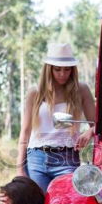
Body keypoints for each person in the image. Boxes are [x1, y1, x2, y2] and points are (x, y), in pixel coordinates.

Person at [16, 43, 96, 192]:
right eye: (57, 69)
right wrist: (20, 169)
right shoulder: (35, 93)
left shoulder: (81, 90)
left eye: (67, 69)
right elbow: (25, 131)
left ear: (73, 69)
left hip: (67, 158)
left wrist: (90, 132)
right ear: (49, 69)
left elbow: (97, 124)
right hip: (37, 158)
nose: (62, 74)